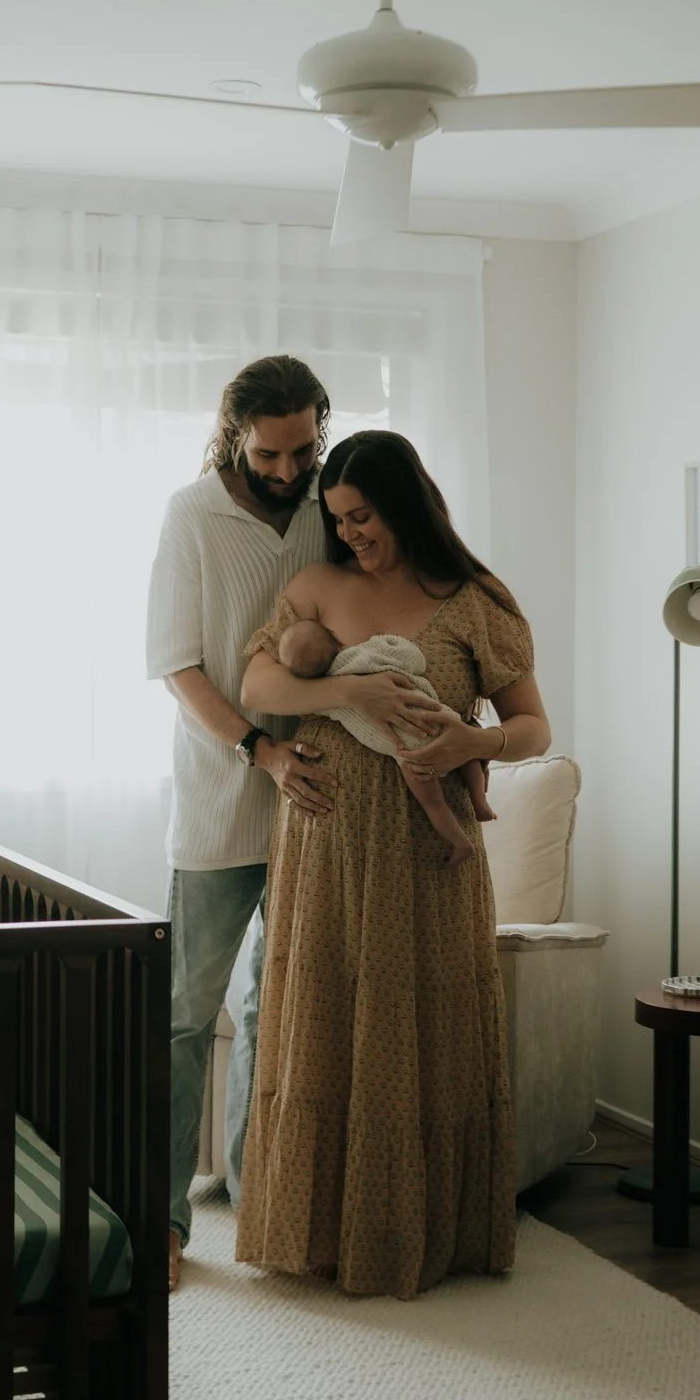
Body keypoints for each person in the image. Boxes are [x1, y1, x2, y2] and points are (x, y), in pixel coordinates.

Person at [235, 430, 551, 1299]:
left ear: (406, 505)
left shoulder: (476, 600)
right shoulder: (315, 586)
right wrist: (351, 692)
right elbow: (258, 690)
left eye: (363, 517)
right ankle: (319, 1235)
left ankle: (422, 1234)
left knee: (426, 1028)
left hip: (428, 847)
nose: (351, 535)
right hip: (326, 839)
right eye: (338, 520)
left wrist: (474, 742)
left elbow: (533, 726)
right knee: (325, 1022)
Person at [145, 354, 347, 1292]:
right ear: (235, 437)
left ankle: (260, 1197)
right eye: (269, 454)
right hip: (219, 802)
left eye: (302, 450)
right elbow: (178, 665)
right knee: (183, 1017)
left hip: (318, 803)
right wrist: (257, 750)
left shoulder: (328, 506)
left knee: (280, 1011)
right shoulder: (191, 513)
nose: (287, 469)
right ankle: (160, 1218)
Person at [276, 615, 494, 867]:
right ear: (337, 641)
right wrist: (390, 641)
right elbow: (414, 659)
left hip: (409, 755)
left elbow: (298, 702)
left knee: (433, 803)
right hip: (434, 718)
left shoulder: (327, 698)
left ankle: (459, 842)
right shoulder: (367, 653)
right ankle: (479, 801)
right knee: (467, 754)